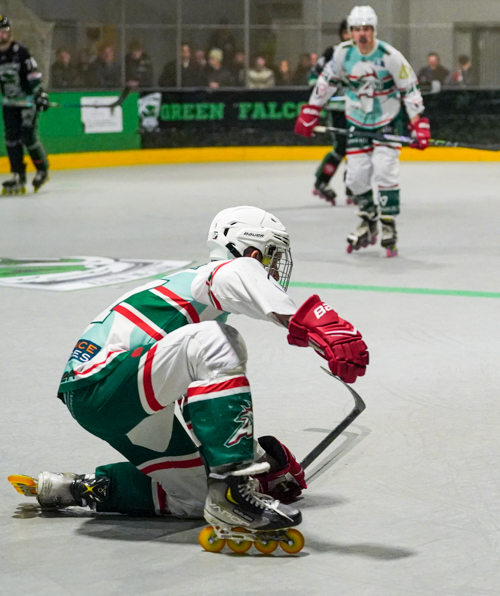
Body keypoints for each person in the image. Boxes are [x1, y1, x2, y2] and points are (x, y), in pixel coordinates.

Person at [14, 206, 369, 545]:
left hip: (117, 401)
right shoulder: (208, 280)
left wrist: (263, 461)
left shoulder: (196, 317)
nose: (275, 267)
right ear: (249, 250)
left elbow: (198, 410)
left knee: (196, 500)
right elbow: (238, 273)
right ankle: (233, 489)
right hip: (105, 382)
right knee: (217, 341)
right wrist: (319, 325)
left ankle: (77, 488)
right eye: (271, 255)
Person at [295, 6, 429, 257]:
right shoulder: (342, 54)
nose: (362, 34)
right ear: (351, 32)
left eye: (367, 29)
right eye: (357, 29)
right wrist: (312, 109)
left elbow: (409, 88)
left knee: (385, 170)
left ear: (374, 30)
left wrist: (417, 122)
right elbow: (326, 82)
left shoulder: (390, 56)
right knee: (355, 178)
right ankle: (368, 220)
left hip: (387, 121)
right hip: (357, 120)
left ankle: (388, 225)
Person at [0, 15, 50, 195]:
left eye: (4, 31)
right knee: (11, 139)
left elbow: (33, 75)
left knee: (27, 135)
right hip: (9, 103)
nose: (1, 35)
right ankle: (18, 175)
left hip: (27, 102)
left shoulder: (20, 51)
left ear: (9, 32)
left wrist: (40, 94)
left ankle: (42, 169)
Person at [306, 19, 351, 205]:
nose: (351, 36)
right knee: (341, 147)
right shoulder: (333, 53)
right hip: (338, 109)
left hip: (360, 110)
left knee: (359, 149)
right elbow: (313, 78)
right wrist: (319, 100)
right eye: (347, 32)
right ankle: (321, 183)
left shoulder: (364, 54)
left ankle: (354, 188)